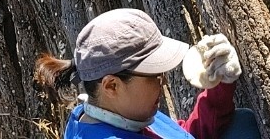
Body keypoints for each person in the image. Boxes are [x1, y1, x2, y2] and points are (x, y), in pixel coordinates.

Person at [34, 8, 257, 139]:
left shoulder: (127, 113)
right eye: (154, 75)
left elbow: (180, 135)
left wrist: (220, 84)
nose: (163, 81)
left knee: (242, 121)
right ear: (111, 85)